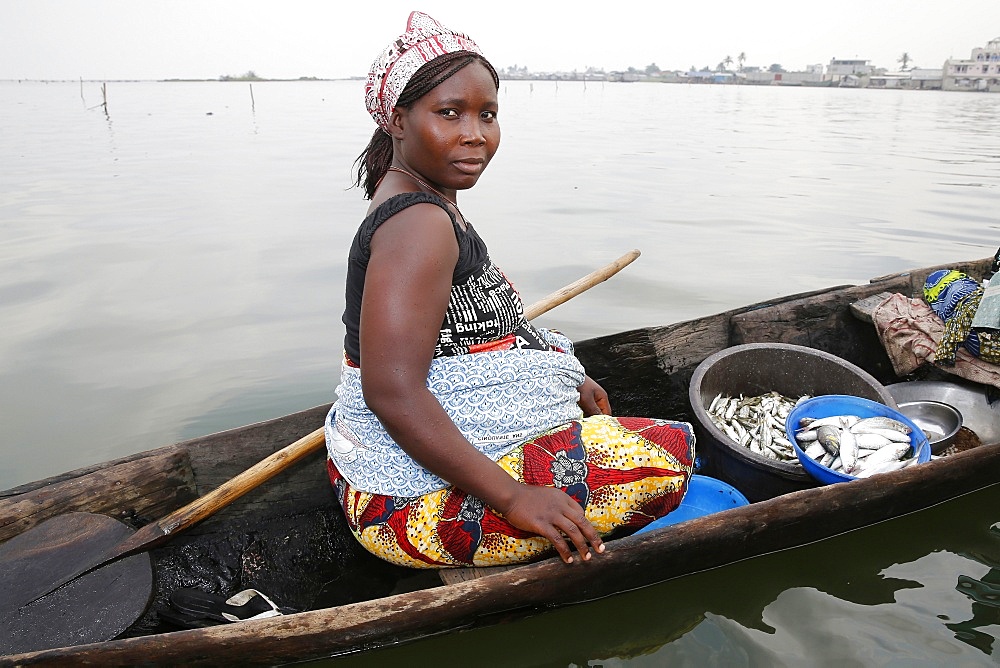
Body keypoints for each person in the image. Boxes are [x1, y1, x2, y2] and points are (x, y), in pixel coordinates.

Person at [324, 11, 695, 569]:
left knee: (597, 415)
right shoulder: (418, 224)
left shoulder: (426, 197)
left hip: (383, 460)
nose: (474, 134)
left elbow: (469, 330)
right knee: (667, 457)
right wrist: (514, 497)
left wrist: (563, 370)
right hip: (392, 504)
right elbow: (392, 392)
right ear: (398, 121)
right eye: (449, 113)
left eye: (487, 115)